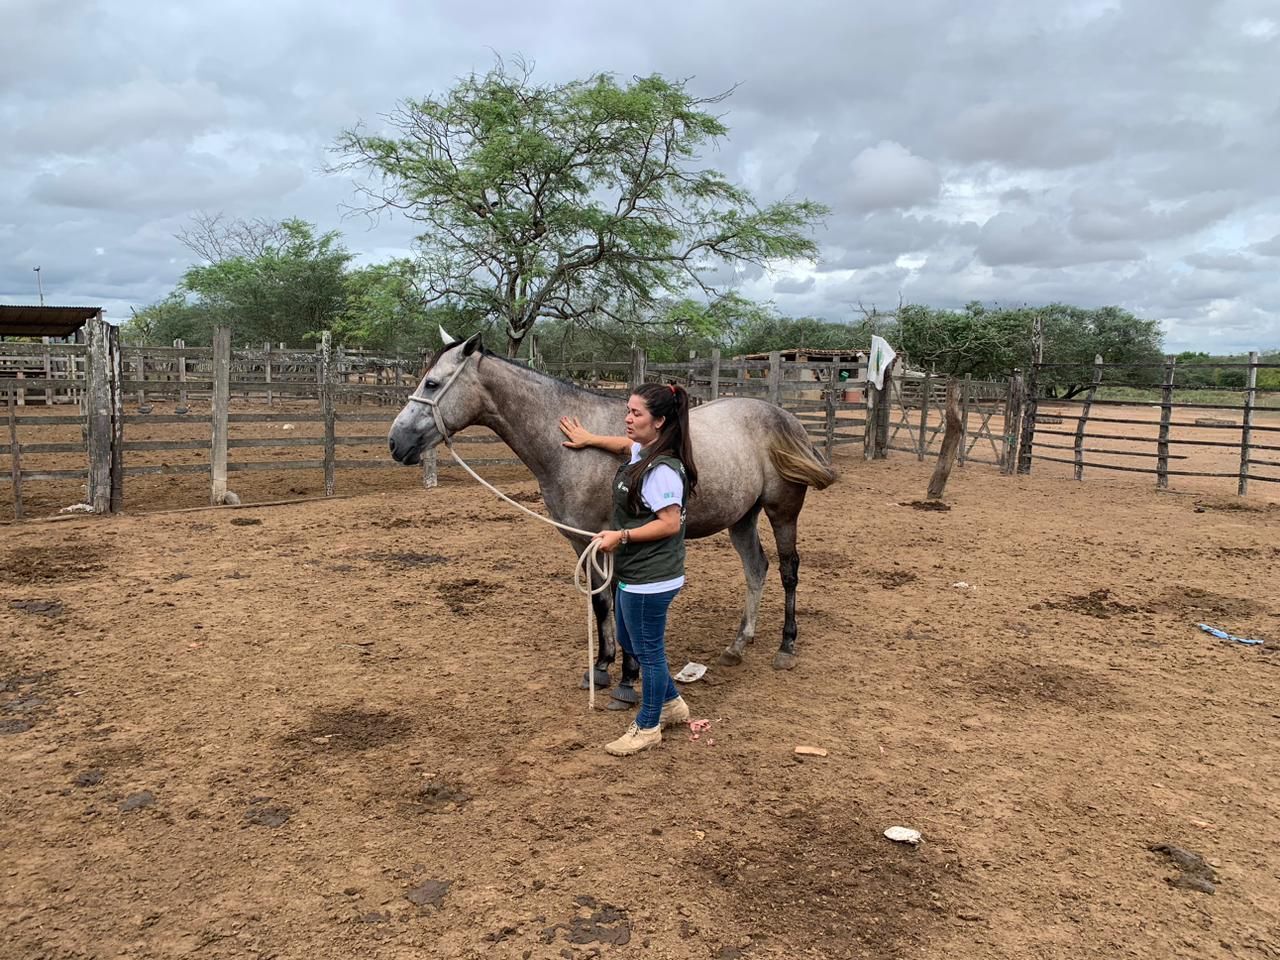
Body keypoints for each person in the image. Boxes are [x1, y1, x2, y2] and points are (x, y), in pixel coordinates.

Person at [558, 382, 698, 756]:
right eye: (628, 410)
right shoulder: (644, 452)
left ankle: (648, 725)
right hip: (635, 573)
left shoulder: (662, 470)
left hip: (653, 577)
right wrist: (590, 439)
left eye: (637, 413)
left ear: (659, 421)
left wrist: (620, 536)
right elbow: (625, 446)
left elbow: (670, 523)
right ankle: (672, 703)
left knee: (648, 652)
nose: (628, 418)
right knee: (630, 640)